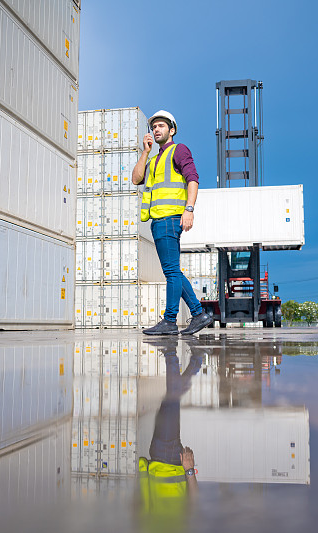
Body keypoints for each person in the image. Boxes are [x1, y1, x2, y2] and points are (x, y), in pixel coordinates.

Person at [132, 110, 214, 335]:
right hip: (158, 220)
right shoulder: (153, 159)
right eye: (154, 127)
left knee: (171, 271)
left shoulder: (179, 150)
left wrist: (189, 209)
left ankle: (169, 321)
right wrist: (145, 151)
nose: (156, 130)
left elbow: (193, 179)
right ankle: (199, 314)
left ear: (172, 130)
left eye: (161, 126)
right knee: (174, 271)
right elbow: (136, 178)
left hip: (170, 219)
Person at [138, 339, 202, 529]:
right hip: (169, 457)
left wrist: (142, 470)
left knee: (171, 399)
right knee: (171, 398)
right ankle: (171, 351)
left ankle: (195, 360)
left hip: (157, 457)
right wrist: (189, 470)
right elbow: (193, 505)